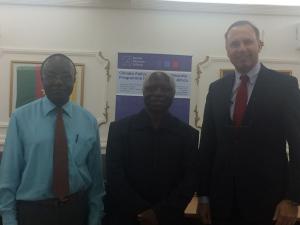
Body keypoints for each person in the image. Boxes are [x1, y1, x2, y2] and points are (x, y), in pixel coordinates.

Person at [197, 20, 300, 225]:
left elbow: (298, 144)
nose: (241, 48)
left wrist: (293, 199)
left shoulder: (285, 86)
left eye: (248, 42)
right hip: (222, 203)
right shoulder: (216, 89)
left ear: (259, 45)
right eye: (235, 44)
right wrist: (203, 196)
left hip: (269, 203)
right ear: (227, 50)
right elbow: (208, 145)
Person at [0, 53, 104, 225]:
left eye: (65, 76)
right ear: (42, 79)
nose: (58, 82)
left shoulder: (89, 121)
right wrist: (8, 218)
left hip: (76, 211)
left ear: (74, 80)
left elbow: (96, 179)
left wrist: (95, 217)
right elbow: (9, 175)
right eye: (51, 76)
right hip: (33, 212)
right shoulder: (20, 118)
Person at [103, 71, 199, 225]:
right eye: (151, 88)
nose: (158, 93)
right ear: (143, 92)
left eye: (165, 89)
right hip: (125, 217)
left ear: (173, 94)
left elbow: (190, 180)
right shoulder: (119, 130)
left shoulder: (189, 135)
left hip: (169, 219)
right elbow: (114, 176)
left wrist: (159, 213)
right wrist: (142, 211)